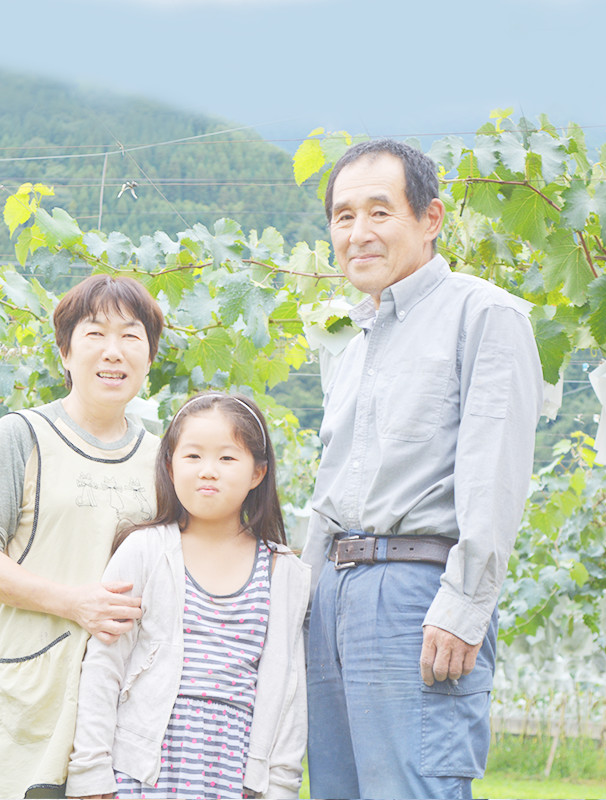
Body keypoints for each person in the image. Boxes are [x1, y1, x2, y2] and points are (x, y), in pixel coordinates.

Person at [301, 139, 543, 800]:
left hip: (417, 592)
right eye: (343, 217)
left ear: (430, 218)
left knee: (414, 789)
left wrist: (466, 601)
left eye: (379, 212)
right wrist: (300, 599)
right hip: (333, 599)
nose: (358, 233)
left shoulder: (484, 315)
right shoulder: (352, 343)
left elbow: (496, 473)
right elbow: (329, 492)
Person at [66, 392, 311, 800]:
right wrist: (91, 773)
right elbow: (104, 666)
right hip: (143, 769)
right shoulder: (144, 550)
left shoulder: (282, 570)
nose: (208, 472)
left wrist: (279, 786)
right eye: (193, 457)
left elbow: (287, 686)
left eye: (227, 458)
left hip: (234, 771)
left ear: (258, 472)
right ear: (169, 465)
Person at [0, 275, 164, 799]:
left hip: (119, 709)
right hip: (26, 694)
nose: (112, 352)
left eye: (131, 336)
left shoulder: (164, 459)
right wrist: (75, 603)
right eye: (95, 334)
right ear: (65, 353)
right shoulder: (20, 436)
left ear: (150, 357)